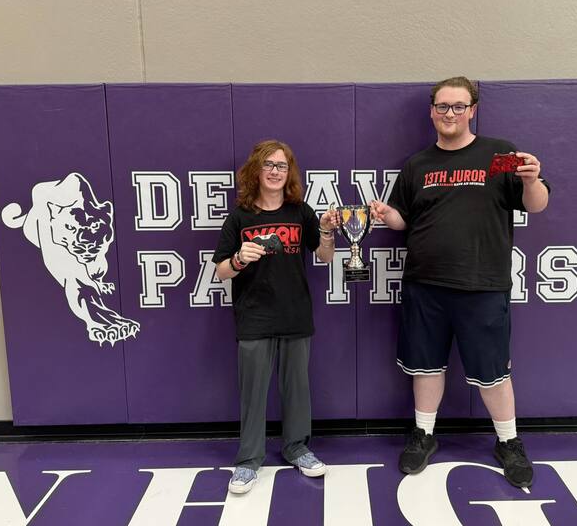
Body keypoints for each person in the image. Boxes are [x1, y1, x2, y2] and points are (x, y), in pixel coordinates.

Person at [370, 76, 549, 488]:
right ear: (432, 111)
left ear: (472, 110)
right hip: (425, 284)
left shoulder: (499, 154)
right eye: (442, 106)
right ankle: (424, 435)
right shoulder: (418, 164)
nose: (449, 114)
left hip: (483, 285)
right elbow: (403, 218)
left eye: (458, 106)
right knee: (425, 365)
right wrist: (385, 214)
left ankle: (508, 442)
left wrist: (531, 179)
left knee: (493, 372)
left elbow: (535, 205)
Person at [213, 139, 339, 494]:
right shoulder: (239, 217)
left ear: (289, 173)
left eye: (281, 166)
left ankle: (297, 447)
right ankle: (248, 461)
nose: (274, 171)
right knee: (253, 392)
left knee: (297, 388)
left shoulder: (300, 211)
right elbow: (222, 270)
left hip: (295, 313)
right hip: (254, 316)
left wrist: (327, 229)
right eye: (268, 164)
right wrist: (239, 258)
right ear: (256, 170)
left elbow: (326, 256)